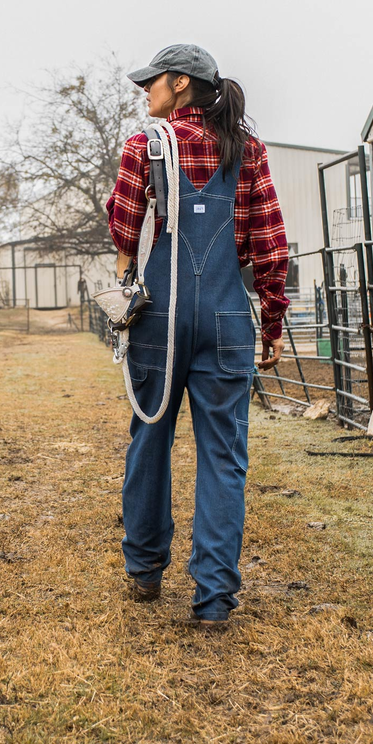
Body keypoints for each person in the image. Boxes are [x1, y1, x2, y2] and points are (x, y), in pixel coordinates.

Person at [106, 44, 289, 626]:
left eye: (151, 82)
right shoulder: (248, 149)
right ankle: (213, 598)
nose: (146, 91)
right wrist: (274, 320)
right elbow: (270, 244)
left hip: (161, 314)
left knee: (150, 436)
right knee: (223, 455)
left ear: (180, 83)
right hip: (227, 318)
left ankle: (145, 568)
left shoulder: (145, 146)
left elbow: (123, 226)